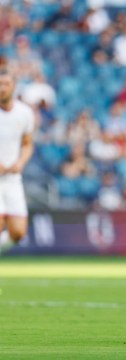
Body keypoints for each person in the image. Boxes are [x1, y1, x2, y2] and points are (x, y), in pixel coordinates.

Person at [0, 69, 35, 255]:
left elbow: (28, 144)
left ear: (14, 87)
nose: (2, 88)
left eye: (6, 84)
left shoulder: (25, 113)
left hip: (12, 180)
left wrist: (20, 162)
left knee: (18, 233)